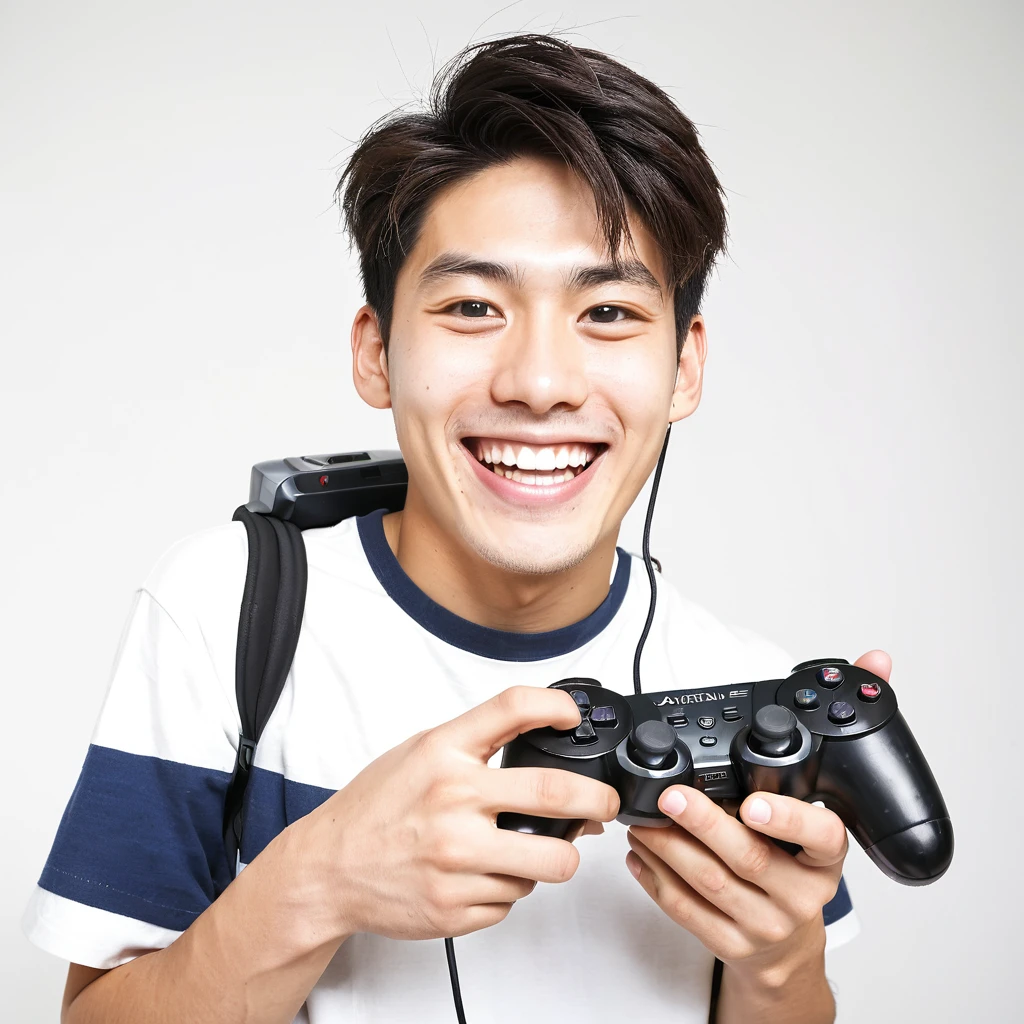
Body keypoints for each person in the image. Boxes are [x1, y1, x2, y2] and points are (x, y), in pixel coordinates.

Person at [24, 34, 871, 1024]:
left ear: (684, 366)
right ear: (376, 351)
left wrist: (779, 965)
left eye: (606, 312)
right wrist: (319, 880)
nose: (540, 384)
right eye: (473, 306)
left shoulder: (742, 687)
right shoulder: (224, 614)